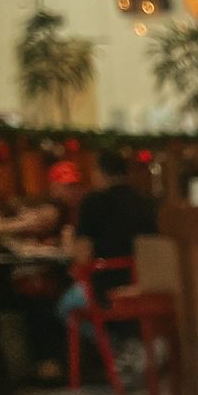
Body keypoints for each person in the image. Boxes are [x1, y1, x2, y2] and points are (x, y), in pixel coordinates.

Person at [57, 150, 157, 381]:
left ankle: (117, 351)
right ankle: (131, 347)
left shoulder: (93, 202)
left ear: (99, 173)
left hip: (103, 285)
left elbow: (82, 255)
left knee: (65, 306)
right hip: (142, 281)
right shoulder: (144, 201)